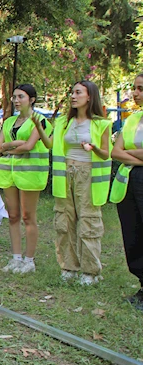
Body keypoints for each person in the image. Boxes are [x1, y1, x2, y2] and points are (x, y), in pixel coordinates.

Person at [50, 81, 111, 285]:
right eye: (72, 92)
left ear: (90, 97)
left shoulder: (101, 124)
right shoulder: (63, 123)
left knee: (88, 221)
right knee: (64, 221)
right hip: (65, 174)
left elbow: (105, 154)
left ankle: (90, 271)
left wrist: (93, 148)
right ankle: (69, 266)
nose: (73, 96)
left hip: (87, 174)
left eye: (78, 93)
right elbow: (52, 145)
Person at [0, 84, 52, 274]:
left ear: (32, 99)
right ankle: (16, 258)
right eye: (14, 97)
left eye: (21, 97)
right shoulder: (9, 121)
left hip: (29, 174)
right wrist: (13, 144)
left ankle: (29, 260)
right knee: (13, 216)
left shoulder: (40, 120)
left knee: (28, 216)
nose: (16, 101)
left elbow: (29, 146)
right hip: (9, 173)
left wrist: (8, 148)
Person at [110, 73, 143, 310]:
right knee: (133, 234)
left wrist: (128, 155)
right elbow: (115, 152)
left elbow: (124, 152)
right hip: (129, 182)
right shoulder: (133, 119)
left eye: (140, 89)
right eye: (134, 88)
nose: (135, 93)